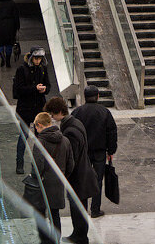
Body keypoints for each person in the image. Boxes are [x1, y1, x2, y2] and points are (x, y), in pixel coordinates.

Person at [44, 97, 99, 244]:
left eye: (52, 114)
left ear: (59, 112)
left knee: (77, 208)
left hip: (78, 176)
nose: (51, 117)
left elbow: (71, 157)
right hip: (83, 173)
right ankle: (78, 234)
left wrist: (64, 174)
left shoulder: (70, 131)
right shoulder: (75, 122)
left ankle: (80, 237)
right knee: (79, 207)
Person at [71, 85, 118, 218]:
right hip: (99, 151)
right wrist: (111, 150)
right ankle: (95, 209)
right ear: (98, 96)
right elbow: (111, 132)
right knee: (97, 180)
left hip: (82, 152)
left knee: (82, 179)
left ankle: (82, 208)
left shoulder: (77, 112)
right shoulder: (104, 112)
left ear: (85, 97)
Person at [31, 112, 74, 244]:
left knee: (40, 213)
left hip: (44, 184)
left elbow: (38, 167)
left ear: (39, 125)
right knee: (55, 215)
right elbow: (71, 164)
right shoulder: (65, 140)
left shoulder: (40, 142)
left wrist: (35, 178)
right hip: (58, 183)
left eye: (35, 128)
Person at [13, 47, 52, 174]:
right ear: (30, 57)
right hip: (25, 107)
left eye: (40, 58)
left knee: (39, 137)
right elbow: (19, 89)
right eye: (36, 58)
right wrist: (35, 88)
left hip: (38, 108)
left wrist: (45, 89)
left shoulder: (42, 68)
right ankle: (20, 164)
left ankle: (38, 164)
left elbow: (48, 85)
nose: (38, 60)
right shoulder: (21, 70)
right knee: (23, 136)